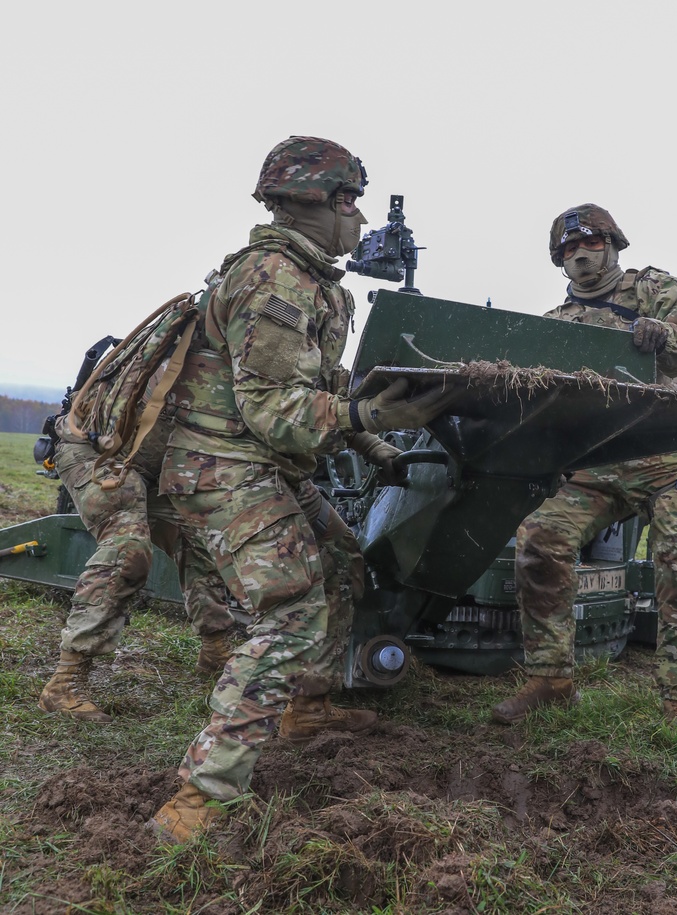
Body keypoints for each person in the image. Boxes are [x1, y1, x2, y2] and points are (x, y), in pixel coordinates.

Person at [148, 136, 458, 842]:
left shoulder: (314, 281)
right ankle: (202, 796)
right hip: (224, 466)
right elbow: (273, 412)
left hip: (263, 465)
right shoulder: (277, 280)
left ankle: (306, 705)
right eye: (349, 202)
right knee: (288, 613)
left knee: (344, 559)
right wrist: (369, 416)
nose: (358, 219)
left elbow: (315, 386)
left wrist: (374, 442)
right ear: (307, 204)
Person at [491, 204, 677, 736]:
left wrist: (663, 336)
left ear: (613, 243)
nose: (580, 254)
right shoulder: (553, 324)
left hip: (670, 453)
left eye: (590, 242)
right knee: (541, 539)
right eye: (568, 249)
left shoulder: (656, 290)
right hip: (597, 462)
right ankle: (551, 680)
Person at [37, 386, 237, 724]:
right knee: (128, 548)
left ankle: (216, 648)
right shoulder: (193, 343)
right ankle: (65, 683)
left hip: (154, 462)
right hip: (93, 451)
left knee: (204, 537)